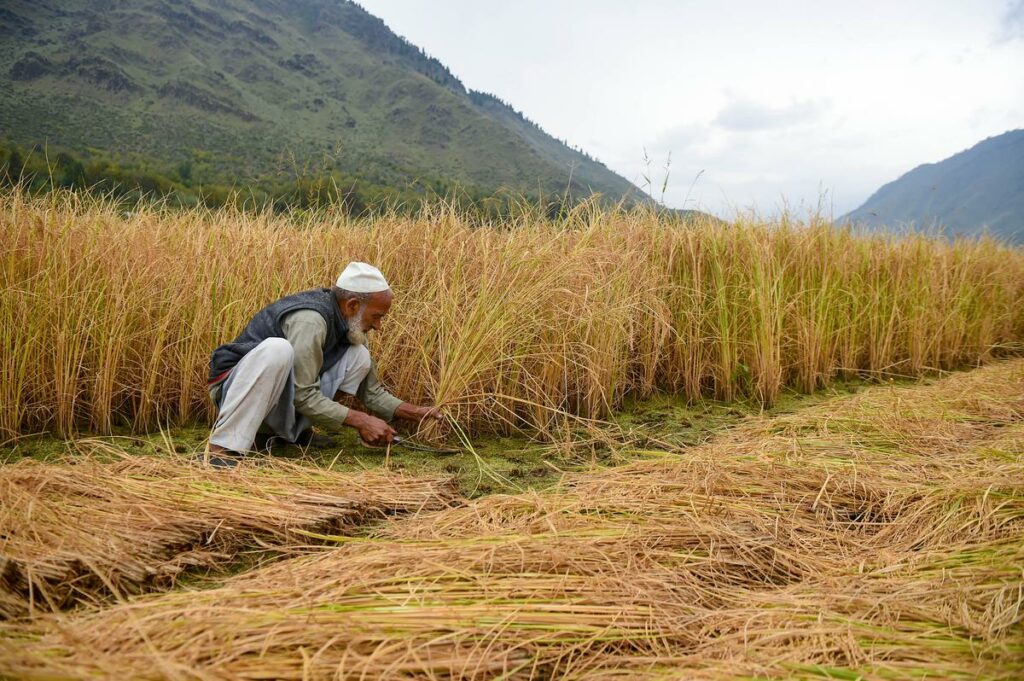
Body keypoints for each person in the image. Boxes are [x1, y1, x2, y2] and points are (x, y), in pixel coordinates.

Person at [204, 262, 441, 467]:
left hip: (278, 397)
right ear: (353, 305)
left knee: (360, 356)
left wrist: (415, 412)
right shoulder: (311, 321)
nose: (379, 326)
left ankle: (293, 434)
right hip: (234, 390)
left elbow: (371, 392)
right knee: (278, 349)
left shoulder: (351, 325)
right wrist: (361, 420)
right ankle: (223, 449)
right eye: (377, 316)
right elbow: (302, 393)